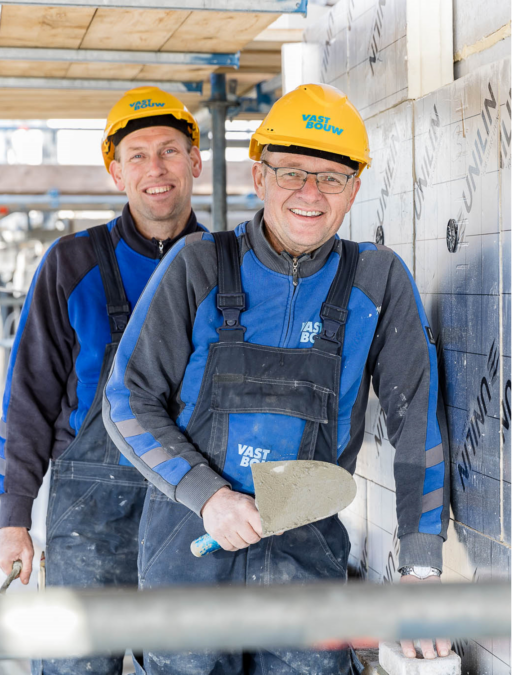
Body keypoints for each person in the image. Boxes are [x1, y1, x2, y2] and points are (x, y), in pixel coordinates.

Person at [103, 83, 452, 673]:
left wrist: (420, 568)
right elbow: (126, 401)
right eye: (290, 172)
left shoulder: (378, 280)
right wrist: (208, 496)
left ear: (354, 191)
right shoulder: (196, 265)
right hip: (189, 544)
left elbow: (417, 421)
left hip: (305, 556)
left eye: (331, 178)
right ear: (260, 179)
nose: (310, 193)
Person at [0, 86, 206, 674]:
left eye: (169, 150)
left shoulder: (229, 265)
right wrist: (12, 518)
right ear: (115, 172)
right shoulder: (72, 264)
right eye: (137, 155)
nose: (155, 169)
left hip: (194, 508)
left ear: (195, 161)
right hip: (90, 511)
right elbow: (29, 400)